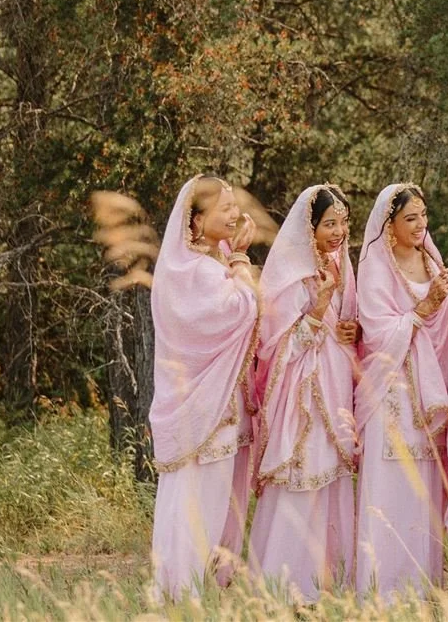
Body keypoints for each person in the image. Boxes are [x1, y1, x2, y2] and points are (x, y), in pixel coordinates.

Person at [148, 175, 261, 601]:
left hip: (220, 407)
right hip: (202, 410)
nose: (234, 214)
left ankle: (201, 592)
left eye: (235, 205)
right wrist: (243, 262)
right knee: (193, 505)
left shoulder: (210, 264)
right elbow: (241, 311)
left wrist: (235, 261)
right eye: (224, 208)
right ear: (195, 221)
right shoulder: (190, 270)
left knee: (213, 504)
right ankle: (180, 596)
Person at [249, 184, 361, 601]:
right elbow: (278, 346)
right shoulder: (289, 274)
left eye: (344, 223)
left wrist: (351, 331)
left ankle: (326, 586)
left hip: (333, 389)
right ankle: (281, 587)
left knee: (329, 478)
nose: (338, 231)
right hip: (299, 396)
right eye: (329, 223)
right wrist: (319, 308)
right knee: (299, 478)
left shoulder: (341, 266)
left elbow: (347, 326)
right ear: (309, 227)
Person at [355, 182, 448, 599]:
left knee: (422, 488)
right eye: (410, 218)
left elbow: (446, 327)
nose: (420, 225)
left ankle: (421, 587)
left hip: (428, 389)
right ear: (389, 224)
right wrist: (423, 309)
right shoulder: (376, 267)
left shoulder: (432, 261)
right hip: (390, 387)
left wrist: (437, 307)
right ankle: (382, 590)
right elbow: (377, 331)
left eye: (423, 216)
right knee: (390, 484)